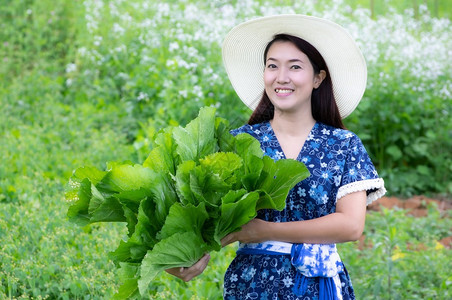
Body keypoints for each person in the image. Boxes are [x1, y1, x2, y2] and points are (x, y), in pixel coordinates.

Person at [167, 14, 386, 299]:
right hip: (251, 285)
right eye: (272, 66)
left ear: (318, 78)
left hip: (318, 287)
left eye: (295, 67)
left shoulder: (343, 145)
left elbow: (350, 225)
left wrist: (263, 230)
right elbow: (209, 214)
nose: (281, 77)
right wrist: (181, 256)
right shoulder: (240, 142)